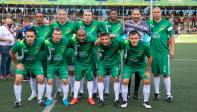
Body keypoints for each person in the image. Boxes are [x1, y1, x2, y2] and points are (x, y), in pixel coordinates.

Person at [9, 28, 45, 108]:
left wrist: (40, 59)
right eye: (27, 36)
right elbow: (11, 52)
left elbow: (44, 49)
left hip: (36, 63)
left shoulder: (40, 41)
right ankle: (18, 101)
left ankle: (40, 99)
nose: (29, 38)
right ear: (25, 36)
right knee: (18, 79)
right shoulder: (20, 44)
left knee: (41, 78)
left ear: (35, 36)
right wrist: (17, 64)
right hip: (23, 64)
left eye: (31, 36)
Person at [75, 10, 106, 99]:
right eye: (86, 15)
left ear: (92, 16)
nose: (87, 17)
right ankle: (80, 91)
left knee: (95, 72)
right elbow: (73, 35)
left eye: (89, 15)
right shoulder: (77, 24)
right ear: (83, 16)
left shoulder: (97, 24)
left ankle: (95, 91)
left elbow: (104, 34)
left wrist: (99, 38)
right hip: (82, 51)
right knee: (80, 72)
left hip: (94, 51)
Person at [147, 7, 175, 102]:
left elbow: (172, 36)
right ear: (152, 13)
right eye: (154, 12)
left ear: (161, 13)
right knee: (155, 74)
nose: (156, 13)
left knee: (166, 74)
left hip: (163, 52)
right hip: (152, 53)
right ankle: (157, 93)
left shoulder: (167, 23)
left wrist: (172, 50)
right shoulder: (149, 23)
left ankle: (168, 94)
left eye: (158, 12)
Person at [120, 30, 152, 109]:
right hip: (129, 66)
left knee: (147, 80)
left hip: (141, 66)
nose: (134, 40)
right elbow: (117, 39)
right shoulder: (125, 43)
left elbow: (150, 57)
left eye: (136, 38)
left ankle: (146, 102)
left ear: (139, 38)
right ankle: (124, 101)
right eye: (132, 38)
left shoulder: (145, 45)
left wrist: (148, 71)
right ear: (129, 38)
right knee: (125, 81)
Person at [123, 8, 151, 99]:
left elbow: (150, 35)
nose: (136, 16)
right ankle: (127, 93)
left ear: (140, 15)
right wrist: (125, 41)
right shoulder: (126, 24)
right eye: (134, 14)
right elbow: (121, 34)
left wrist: (145, 42)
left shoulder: (145, 24)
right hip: (129, 50)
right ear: (131, 15)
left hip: (140, 51)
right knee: (128, 74)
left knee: (138, 74)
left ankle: (135, 92)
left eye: (137, 14)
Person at [50, 9, 76, 98]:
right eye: (60, 14)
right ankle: (59, 90)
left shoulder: (72, 25)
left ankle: (72, 90)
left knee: (71, 71)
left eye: (63, 14)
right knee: (57, 72)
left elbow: (79, 36)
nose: (61, 16)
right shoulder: (53, 24)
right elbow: (50, 36)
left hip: (68, 52)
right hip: (57, 52)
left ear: (66, 15)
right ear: (57, 15)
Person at [69, 29, 98, 105]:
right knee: (77, 80)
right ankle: (75, 98)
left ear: (86, 35)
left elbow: (99, 40)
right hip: (78, 63)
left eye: (83, 36)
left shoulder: (91, 39)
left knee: (90, 79)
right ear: (76, 35)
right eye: (79, 36)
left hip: (89, 63)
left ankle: (90, 98)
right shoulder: (72, 39)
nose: (81, 37)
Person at [44, 28, 70, 106]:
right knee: (50, 81)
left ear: (61, 35)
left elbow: (76, 40)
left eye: (59, 34)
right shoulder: (46, 42)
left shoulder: (66, 41)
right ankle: (49, 98)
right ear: (52, 34)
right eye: (55, 34)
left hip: (62, 65)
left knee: (65, 81)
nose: (57, 36)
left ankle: (65, 98)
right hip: (51, 65)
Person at [96, 32, 121, 107]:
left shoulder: (116, 44)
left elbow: (123, 42)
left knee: (116, 78)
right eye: (102, 39)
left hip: (114, 64)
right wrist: (98, 39)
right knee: (100, 78)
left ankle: (116, 99)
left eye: (106, 39)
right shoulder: (98, 43)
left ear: (109, 38)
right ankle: (101, 99)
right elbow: (94, 43)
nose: (104, 41)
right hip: (102, 64)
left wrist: (115, 36)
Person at [102, 9, 123, 98]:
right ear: (109, 15)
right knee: (106, 72)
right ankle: (106, 91)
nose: (113, 15)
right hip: (105, 50)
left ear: (117, 15)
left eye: (115, 13)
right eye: (112, 14)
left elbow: (123, 36)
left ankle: (120, 91)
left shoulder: (121, 24)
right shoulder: (104, 24)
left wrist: (116, 37)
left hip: (116, 50)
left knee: (117, 72)